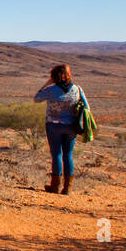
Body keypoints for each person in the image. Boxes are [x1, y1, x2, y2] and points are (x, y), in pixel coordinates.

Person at [33, 64, 89, 195]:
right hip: (71, 127)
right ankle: (67, 188)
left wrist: (46, 84)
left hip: (53, 125)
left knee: (57, 154)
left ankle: (55, 186)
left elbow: (36, 98)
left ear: (53, 76)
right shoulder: (77, 89)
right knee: (68, 155)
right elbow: (86, 108)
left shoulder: (51, 89)